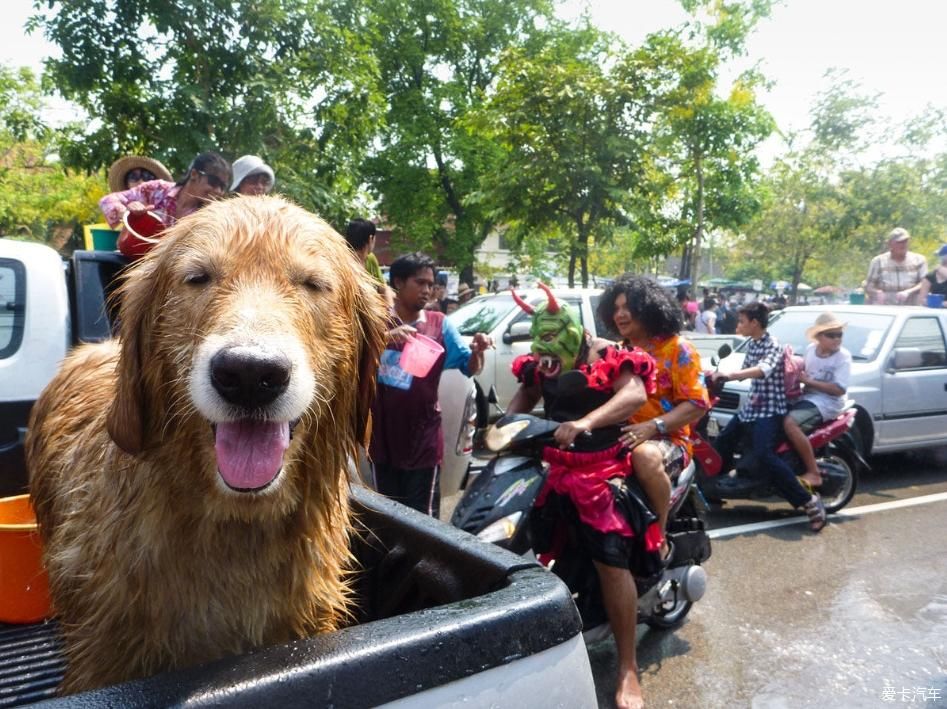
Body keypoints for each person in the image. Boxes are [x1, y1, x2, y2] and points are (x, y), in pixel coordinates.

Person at [504, 282, 657, 709]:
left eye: (554, 341)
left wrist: (588, 420)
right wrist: (505, 425)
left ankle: (627, 666)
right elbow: (527, 395)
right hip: (555, 468)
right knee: (530, 550)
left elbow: (634, 394)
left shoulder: (609, 354)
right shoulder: (542, 361)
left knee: (610, 563)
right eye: (540, 344)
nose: (545, 354)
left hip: (602, 469)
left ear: (575, 333)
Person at [370, 252, 492, 517]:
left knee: (422, 521)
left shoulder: (440, 325)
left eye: (430, 284)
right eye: (420, 282)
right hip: (382, 440)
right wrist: (386, 338)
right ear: (399, 283)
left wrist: (478, 352)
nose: (427, 290)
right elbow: (350, 356)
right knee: (387, 518)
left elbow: (469, 368)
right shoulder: (376, 322)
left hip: (421, 442)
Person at [600, 276, 710, 561]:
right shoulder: (616, 351)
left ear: (648, 308)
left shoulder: (677, 348)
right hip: (620, 437)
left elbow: (698, 404)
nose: (620, 314)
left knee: (645, 457)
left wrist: (653, 427)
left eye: (628, 306)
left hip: (667, 440)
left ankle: (656, 539)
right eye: (615, 308)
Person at [710, 302, 827, 532]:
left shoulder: (773, 345)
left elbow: (763, 369)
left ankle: (808, 501)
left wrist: (731, 374)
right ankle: (712, 491)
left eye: (742, 321)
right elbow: (744, 372)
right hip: (750, 409)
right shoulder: (752, 344)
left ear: (754, 323)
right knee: (721, 443)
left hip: (771, 411)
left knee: (764, 454)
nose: (739, 325)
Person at [784, 312, 852, 490]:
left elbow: (839, 389)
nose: (837, 339)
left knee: (790, 424)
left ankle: (813, 472)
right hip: (806, 397)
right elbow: (800, 373)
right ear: (819, 337)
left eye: (839, 335)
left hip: (827, 402)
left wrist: (809, 382)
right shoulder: (810, 351)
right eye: (831, 335)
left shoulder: (843, 357)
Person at [99, 152, 232, 230]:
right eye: (214, 182)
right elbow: (107, 200)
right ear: (194, 175)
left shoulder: (209, 218)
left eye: (223, 187)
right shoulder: (156, 189)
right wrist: (125, 212)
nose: (218, 191)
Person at [865, 227, 927, 305]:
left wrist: (908, 292)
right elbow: (868, 287)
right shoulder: (878, 261)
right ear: (890, 243)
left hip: (911, 309)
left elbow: (925, 284)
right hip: (886, 308)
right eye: (899, 242)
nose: (903, 245)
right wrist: (877, 293)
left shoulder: (919, 260)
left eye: (905, 241)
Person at [106, 155, 172, 193]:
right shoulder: (120, 213)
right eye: (134, 177)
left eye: (147, 177)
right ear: (127, 185)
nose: (141, 182)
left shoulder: (169, 212)